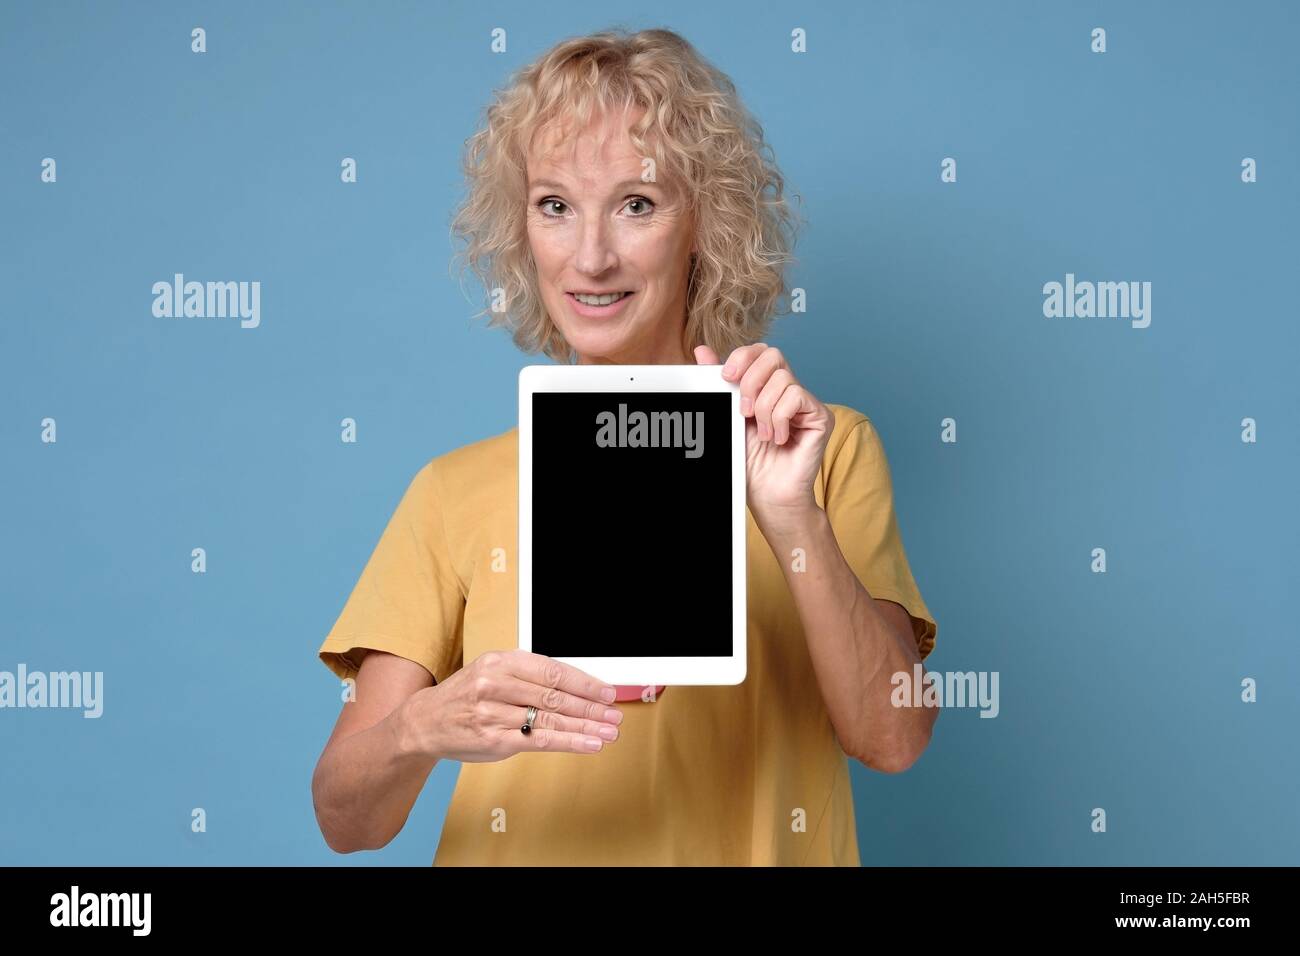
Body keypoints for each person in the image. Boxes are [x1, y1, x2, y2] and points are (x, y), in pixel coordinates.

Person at [311, 27, 939, 866]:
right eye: (555, 205)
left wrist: (790, 518)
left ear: (704, 225)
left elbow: (894, 739)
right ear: (522, 229)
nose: (592, 256)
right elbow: (347, 822)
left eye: (637, 204)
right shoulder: (452, 490)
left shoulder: (822, 450)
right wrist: (427, 725)